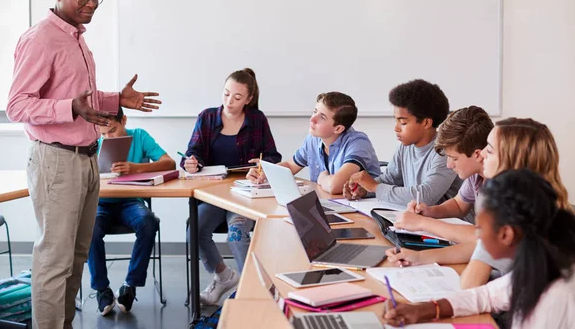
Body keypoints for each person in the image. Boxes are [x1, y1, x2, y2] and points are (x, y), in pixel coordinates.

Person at [6, 0, 160, 329]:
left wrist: (116, 99)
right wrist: (68, 108)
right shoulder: (40, 38)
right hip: (56, 160)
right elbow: (17, 105)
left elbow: (82, 100)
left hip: (87, 160)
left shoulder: (76, 37)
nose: (91, 4)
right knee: (54, 261)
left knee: (76, 258)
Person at [386, 118, 571, 289]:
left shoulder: (519, 214)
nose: (481, 154)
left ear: (511, 162)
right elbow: (481, 247)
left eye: (489, 150)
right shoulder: (525, 202)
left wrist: (424, 226)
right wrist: (420, 257)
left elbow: (470, 283)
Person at [384, 169, 575, 329]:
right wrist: (420, 310)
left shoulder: (555, 297)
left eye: (480, 227)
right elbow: (486, 296)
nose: (476, 235)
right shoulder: (538, 262)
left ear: (506, 235)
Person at [183, 68, 281, 305]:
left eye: (237, 97)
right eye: (226, 94)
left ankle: (255, 290)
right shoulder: (207, 117)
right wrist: (191, 163)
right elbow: (192, 152)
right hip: (215, 193)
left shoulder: (257, 119)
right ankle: (224, 276)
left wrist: (262, 165)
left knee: (237, 234)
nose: (229, 101)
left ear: (248, 99)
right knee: (194, 230)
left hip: (245, 193)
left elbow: (273, 157)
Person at [89, 107, 175, 315]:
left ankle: (130, 285)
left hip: (131, 203)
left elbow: (169, 163)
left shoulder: (139, 136)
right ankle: (102, 289)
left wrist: (135, 168)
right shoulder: (92, 142)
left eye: (113, 130)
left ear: (124, 120)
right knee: (89, 228)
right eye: (103, 134)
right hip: (101, 203)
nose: (108, 138)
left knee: (148, 221)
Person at [343, 79, 461, 206]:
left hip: (446, 222)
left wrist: (375, 188)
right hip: (416, 219)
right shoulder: (406, 147)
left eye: (403, 122)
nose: (396, 128)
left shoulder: (445, 151)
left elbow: (426, 196)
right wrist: (364, 189)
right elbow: (390, 180)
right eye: (396, 121)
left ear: (426, 123)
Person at [393, 106, 494, 243]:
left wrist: (423, 223)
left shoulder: (502, 183)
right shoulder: (475, 175)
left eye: (454, 158)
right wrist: (429, 212)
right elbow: (458, 205)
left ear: (477, 154)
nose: (449, 165)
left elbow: (486, 236)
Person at [247, 91, 380, 194]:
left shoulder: (358, 142)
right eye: (315, 111)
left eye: (322, 117)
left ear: (338, 128)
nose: (312, 119)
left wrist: (322, 178)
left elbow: (335, 186)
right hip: (328, 203)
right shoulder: (313, 139)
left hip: (361, 212)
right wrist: (266, 173)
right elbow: (291, 165)